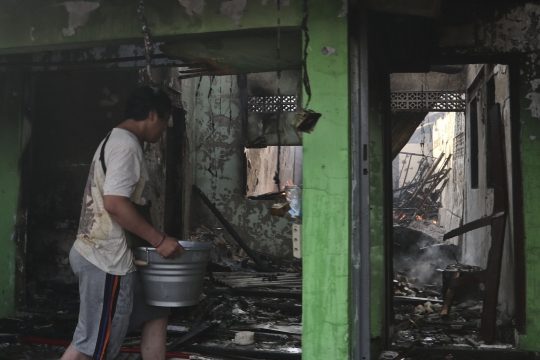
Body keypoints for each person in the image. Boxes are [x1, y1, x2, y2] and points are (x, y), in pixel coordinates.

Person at [61, 86, 185, 360]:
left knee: (156, 311)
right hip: (106, 261)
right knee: (92, 345)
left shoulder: (116, 139)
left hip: (118, 255)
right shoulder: (127, 145)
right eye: (165, 122)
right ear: (153, 115)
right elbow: (116, 204)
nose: (164, 130)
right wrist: (160, 240)